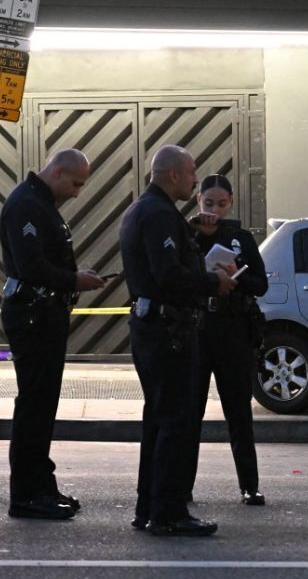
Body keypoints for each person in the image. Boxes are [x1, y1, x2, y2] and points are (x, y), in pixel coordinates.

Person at [120, 145, 237, 537]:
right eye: (191, 172)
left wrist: (190, 232)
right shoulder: (158, 214)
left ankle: (149, 506)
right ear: (173, 175)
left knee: (158, 418)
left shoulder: (145, 210)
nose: (195, 179)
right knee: (174, 421)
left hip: (153, 326)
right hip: (167, 330)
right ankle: (168, 512)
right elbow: (168, 275)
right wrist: (213, 281)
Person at [0, 149, 107, 520]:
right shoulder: (26, 205)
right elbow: (31, 266)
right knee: (34, 405)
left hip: (44, 313)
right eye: (75, 184)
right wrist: (74, 280)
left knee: (43, 407)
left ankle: (42, 486)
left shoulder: (40, 203)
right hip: (32, 314)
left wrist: (72, 280)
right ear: (58, 172)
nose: (77, 192)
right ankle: (26, 495)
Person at [185, 174, 269, 507]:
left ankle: (249, 485)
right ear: (198, 201)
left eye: (221, 204)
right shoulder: (188, 233)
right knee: (190, 412)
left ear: (230, 202)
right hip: (198, 327)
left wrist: (237, 275)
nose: (214, 211)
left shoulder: (240, 238)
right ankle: (182, 486)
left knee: (238, 411)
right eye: (209, 203)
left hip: (234, 328)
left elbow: (260, 284)